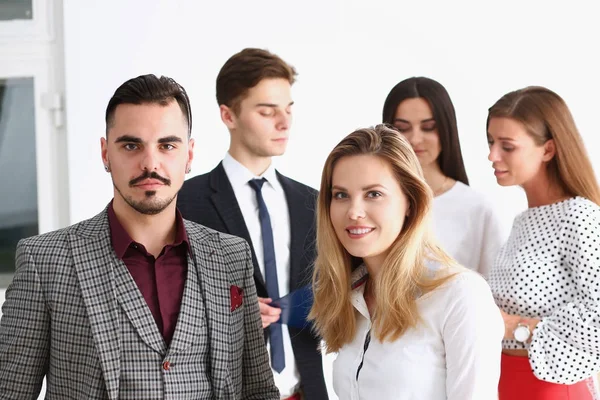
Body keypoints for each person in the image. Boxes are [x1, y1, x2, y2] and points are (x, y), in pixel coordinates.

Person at [0, 74, 279, 399]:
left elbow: (258, 390)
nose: (150, 163)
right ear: (106, 153)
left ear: (188, 155)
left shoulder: (232, 257)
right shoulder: (46, 261)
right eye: (131, 145)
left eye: (167, 145)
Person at [309, 124, 504, 399]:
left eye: (373, 194)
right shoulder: (351, 294)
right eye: (341, 195)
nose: (353, 212)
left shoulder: (461, 295)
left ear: (410, 202)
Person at [177, 48, 328, 400]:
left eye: (288, 109)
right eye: (267, 111)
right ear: (228, 115)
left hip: (306, 391)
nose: (284, 122)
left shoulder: (314, 202)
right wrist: (225, 314)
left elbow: (331, 297)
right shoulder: (185, 203)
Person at [487, 86, 600, 399]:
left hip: (549, 387)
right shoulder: (521, 222)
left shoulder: (578, 216)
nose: (492, 155)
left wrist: (515, 327)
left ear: (548, 150)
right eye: (491, 142)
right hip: (504, 380)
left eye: (506, 146)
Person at [382, 77, 504, 277]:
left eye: (428, 127)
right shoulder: (372, 199)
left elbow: (493, 295)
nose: (415, 139)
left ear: (446, 129)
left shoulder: (476, 208)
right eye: (403, 128)